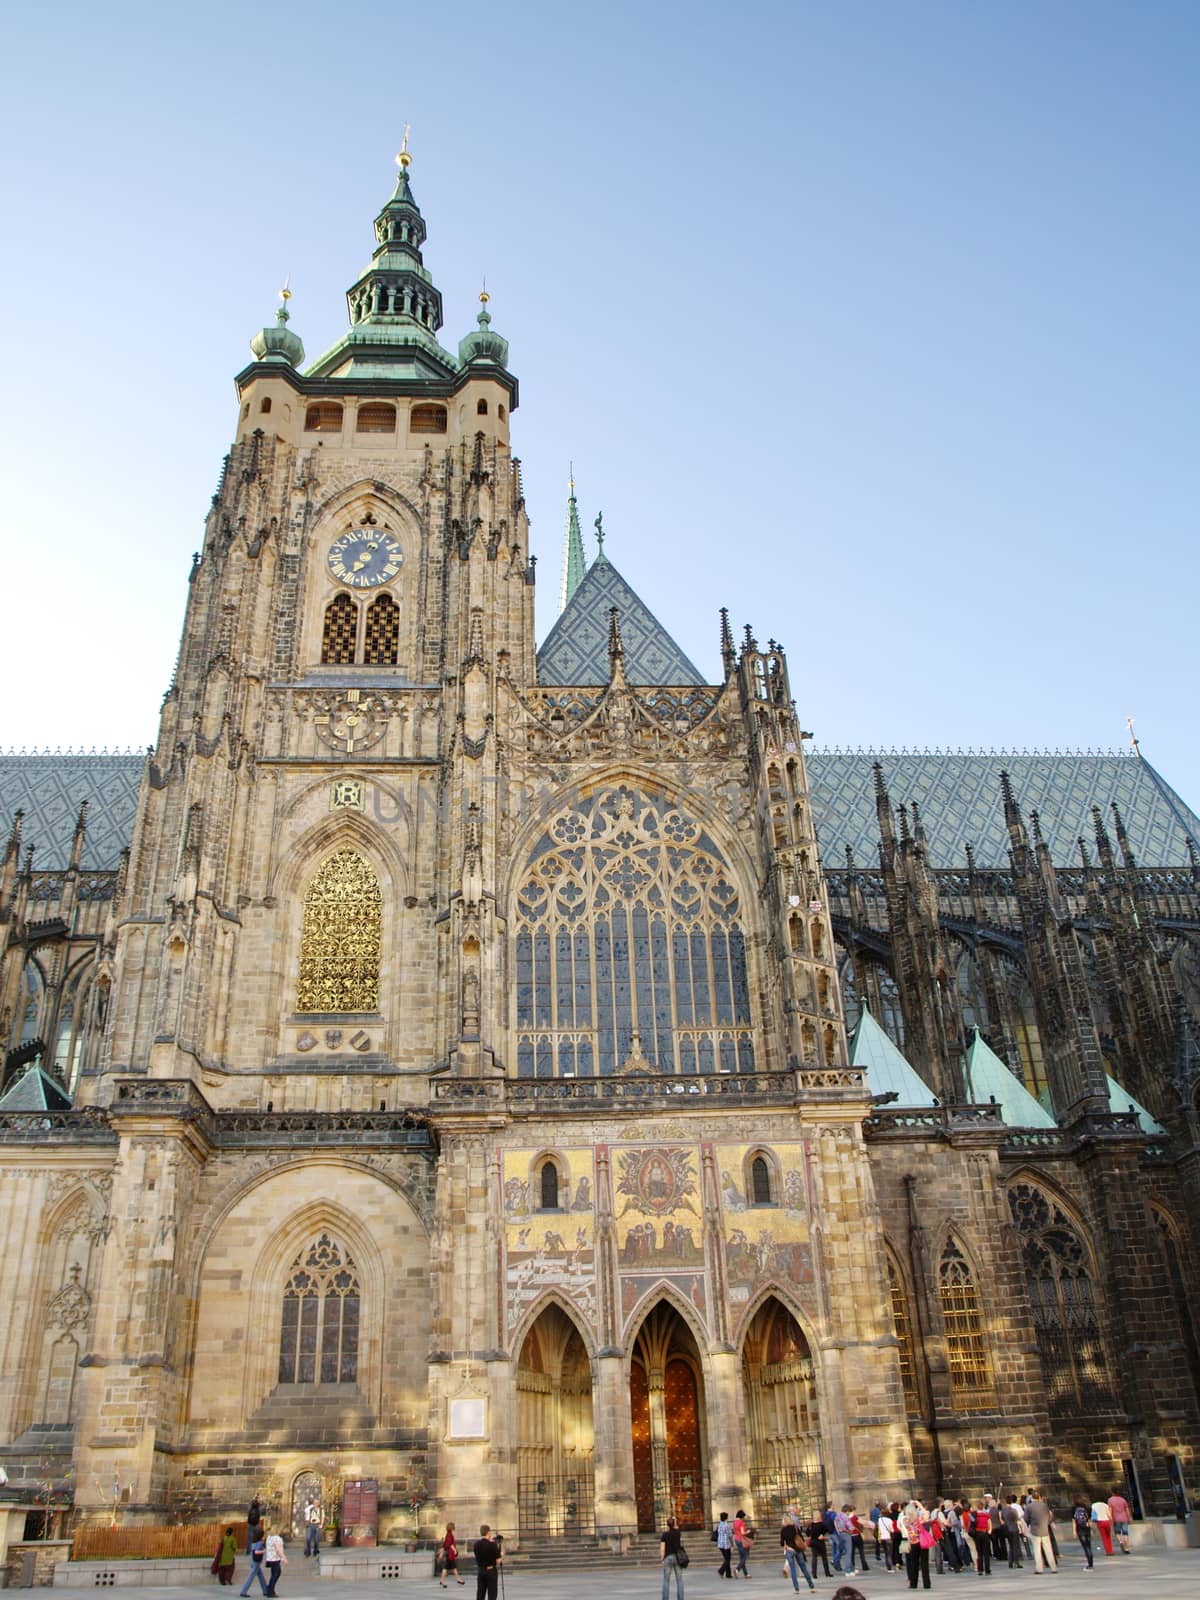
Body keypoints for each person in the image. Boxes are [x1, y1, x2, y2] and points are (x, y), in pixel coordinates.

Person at [779, 1515, 815, 1594]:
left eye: (782, 1521)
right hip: (798, 1550)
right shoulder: (795, 1527)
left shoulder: (783, 1530)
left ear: (785, 1521)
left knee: (793, 1570)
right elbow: (801, 1538)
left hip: (789, 1550)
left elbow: (782, 1543)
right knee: (803, 1568)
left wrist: (786, 1544)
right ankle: (811, 1587)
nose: (781, 1522)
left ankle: (797, 1589)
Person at [1026, 1492, 1056, 1574]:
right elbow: (1049, 1516)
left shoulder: (1029, 1507)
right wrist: (1048, 1523)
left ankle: (1039, 1568)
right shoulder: (1044, 1505)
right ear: (1039, 1497)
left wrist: (1029, 1524)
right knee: (1048, 1550)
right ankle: (1053, 1567)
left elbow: (1026, 1519)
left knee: (1037, 1550)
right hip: (1045, 1529)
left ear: (1032, 1498)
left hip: (1035, 1530)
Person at [660, 1514, 686, 1600]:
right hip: (677, 1558)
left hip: (668, 1557)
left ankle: (665, 1598)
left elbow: (662, 1548)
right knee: (679, 1580)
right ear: (674, 1524)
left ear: (667, 1525)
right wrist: (675, 1521)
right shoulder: (678, 1533)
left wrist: (662, 1558)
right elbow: (676, 1527)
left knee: (666, 1580)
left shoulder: (665, 1534)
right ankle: (680, 1598)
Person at [473, 1526, 502, 1600]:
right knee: (492, 1594)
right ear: (488, 1532)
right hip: (491, 1571)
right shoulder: (492, 1545)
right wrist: (501, 1554)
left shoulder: (476, 1545)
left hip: (481, 1571)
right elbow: (498, 1561)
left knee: (480, 1594)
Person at [239, 1530, 269, 1598]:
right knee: (250, 1577)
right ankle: (243, 1591)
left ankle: (265, 1590)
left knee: (261, 1576)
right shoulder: (260, 1543)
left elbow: (252, 1552)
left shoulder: (253, 1542)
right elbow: (256, 1552)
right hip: (256, 1562)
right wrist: (264, 1551)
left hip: (253, 1560)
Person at [1107, 1488, 1133, 1554]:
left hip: (1116, 1519)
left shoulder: (1110, 1500)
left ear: (1112, 1492)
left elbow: (1110, 1510)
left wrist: (1110, 1519)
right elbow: (1127, 1510)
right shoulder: (1123, 1499)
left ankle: (1120, 1542)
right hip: (1124, 1518)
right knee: (1125, 1533)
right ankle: (1126, 1549)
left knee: (1117, 1532)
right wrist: (1129, 1518)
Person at [806, 1513, 831, 1579]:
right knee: (824, 1558)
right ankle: (827, 1573)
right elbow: (828, 1529)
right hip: (820, 1542)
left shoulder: (811, 1524)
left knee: (814, 1558)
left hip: (813, 1542)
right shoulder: (822, 1524)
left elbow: (807, 1534)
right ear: (819, 1516)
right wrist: (822, 1534)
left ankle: (814, 1574)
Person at [1001, 1496, 1023, 1568]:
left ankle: (1010, 1562)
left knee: (1010, 1546)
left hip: (1007, 1529)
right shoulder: (1013, 1510)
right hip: (1014, 1528)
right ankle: (1016, 1561)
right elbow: (1017, 1519)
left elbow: (1002, 1519)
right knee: (1015, 1546)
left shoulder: (1003, 1510)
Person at [439, 1522, 464, 1587]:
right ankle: (443, 1581)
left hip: (448, 1553)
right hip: (450, 1554)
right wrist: (455, 1550)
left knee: (452, 1567)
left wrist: (443, 1551)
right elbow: (450, 1544)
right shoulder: (450, 1535)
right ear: (452, 1527)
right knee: (448, 1567)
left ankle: (458, 1579)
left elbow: (445, 1545)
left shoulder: (447, 1534)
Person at [263, 1528, 286, 1597]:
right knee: (275, 1575)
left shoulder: (269, 1537)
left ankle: (270, 1588)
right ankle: (270, 1591)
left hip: (270, 1558)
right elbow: (278, 1549)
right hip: (275, 1558)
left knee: (276, 1574)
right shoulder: (277, 1538)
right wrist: (283, 1557)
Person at [1071, 1499, 1094, 1569]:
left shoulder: (1073, 1509)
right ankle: (1091, 1562)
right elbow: (1090, 1520)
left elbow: (1074, 1520)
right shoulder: (1088, 1508)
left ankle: (1089, 1563)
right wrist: (1091, 1530)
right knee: (1089, 1546)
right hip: (1087, 1529)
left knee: (1085, 1547)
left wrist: (1074, 1531)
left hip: (1080, 1529)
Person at [732, 1510, 752, 1578]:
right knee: (745, 1556)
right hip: (742, 1540)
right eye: (743, 1517)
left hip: (736, 1540)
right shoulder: (741, 1522)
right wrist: (748, 1531)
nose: (744, 1518)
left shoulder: (734, 1522)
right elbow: (742, 1532)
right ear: (742, 1516)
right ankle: (737, 1569)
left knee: (742, 1557)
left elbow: (735, 1531)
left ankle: (746, 1574)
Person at [715, 1511, 734, 1579]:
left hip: (720, 1543)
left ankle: (728, 1574)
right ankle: (721, 1570)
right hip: (726, 1544)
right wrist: (732, 1544)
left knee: (726, 1558)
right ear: (726, 1518)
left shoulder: (719, 1525)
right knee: (727, 1559)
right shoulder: (727, 1525)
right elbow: (730, 1535)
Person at [876, 1504, 895, 1571]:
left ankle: (888, 1566)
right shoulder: (889, 1520)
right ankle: (889, 1567)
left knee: (886, 1552)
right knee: (889, 1553)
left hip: (882, 1537)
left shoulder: (879, 1520)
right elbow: (892, 1530)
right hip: (888, 1537)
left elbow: (878, 1529)